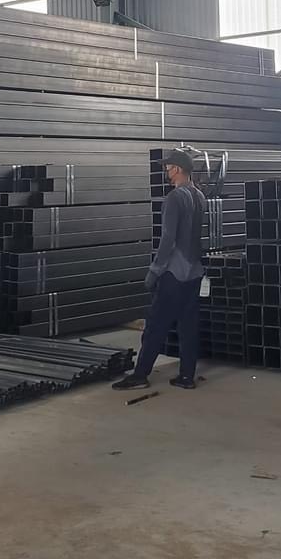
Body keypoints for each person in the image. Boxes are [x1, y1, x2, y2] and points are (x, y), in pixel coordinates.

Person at [113, 149, 207, 391]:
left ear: (177, 169)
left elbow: (168, 239)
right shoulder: (199, 196)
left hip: (174, 273)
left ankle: (140, 376)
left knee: (156, 325)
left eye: (168, 166)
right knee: (188, 327)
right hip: (194, 272)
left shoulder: (174, 198)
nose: (166, 170)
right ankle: (187, 377)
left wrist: (155, 271)